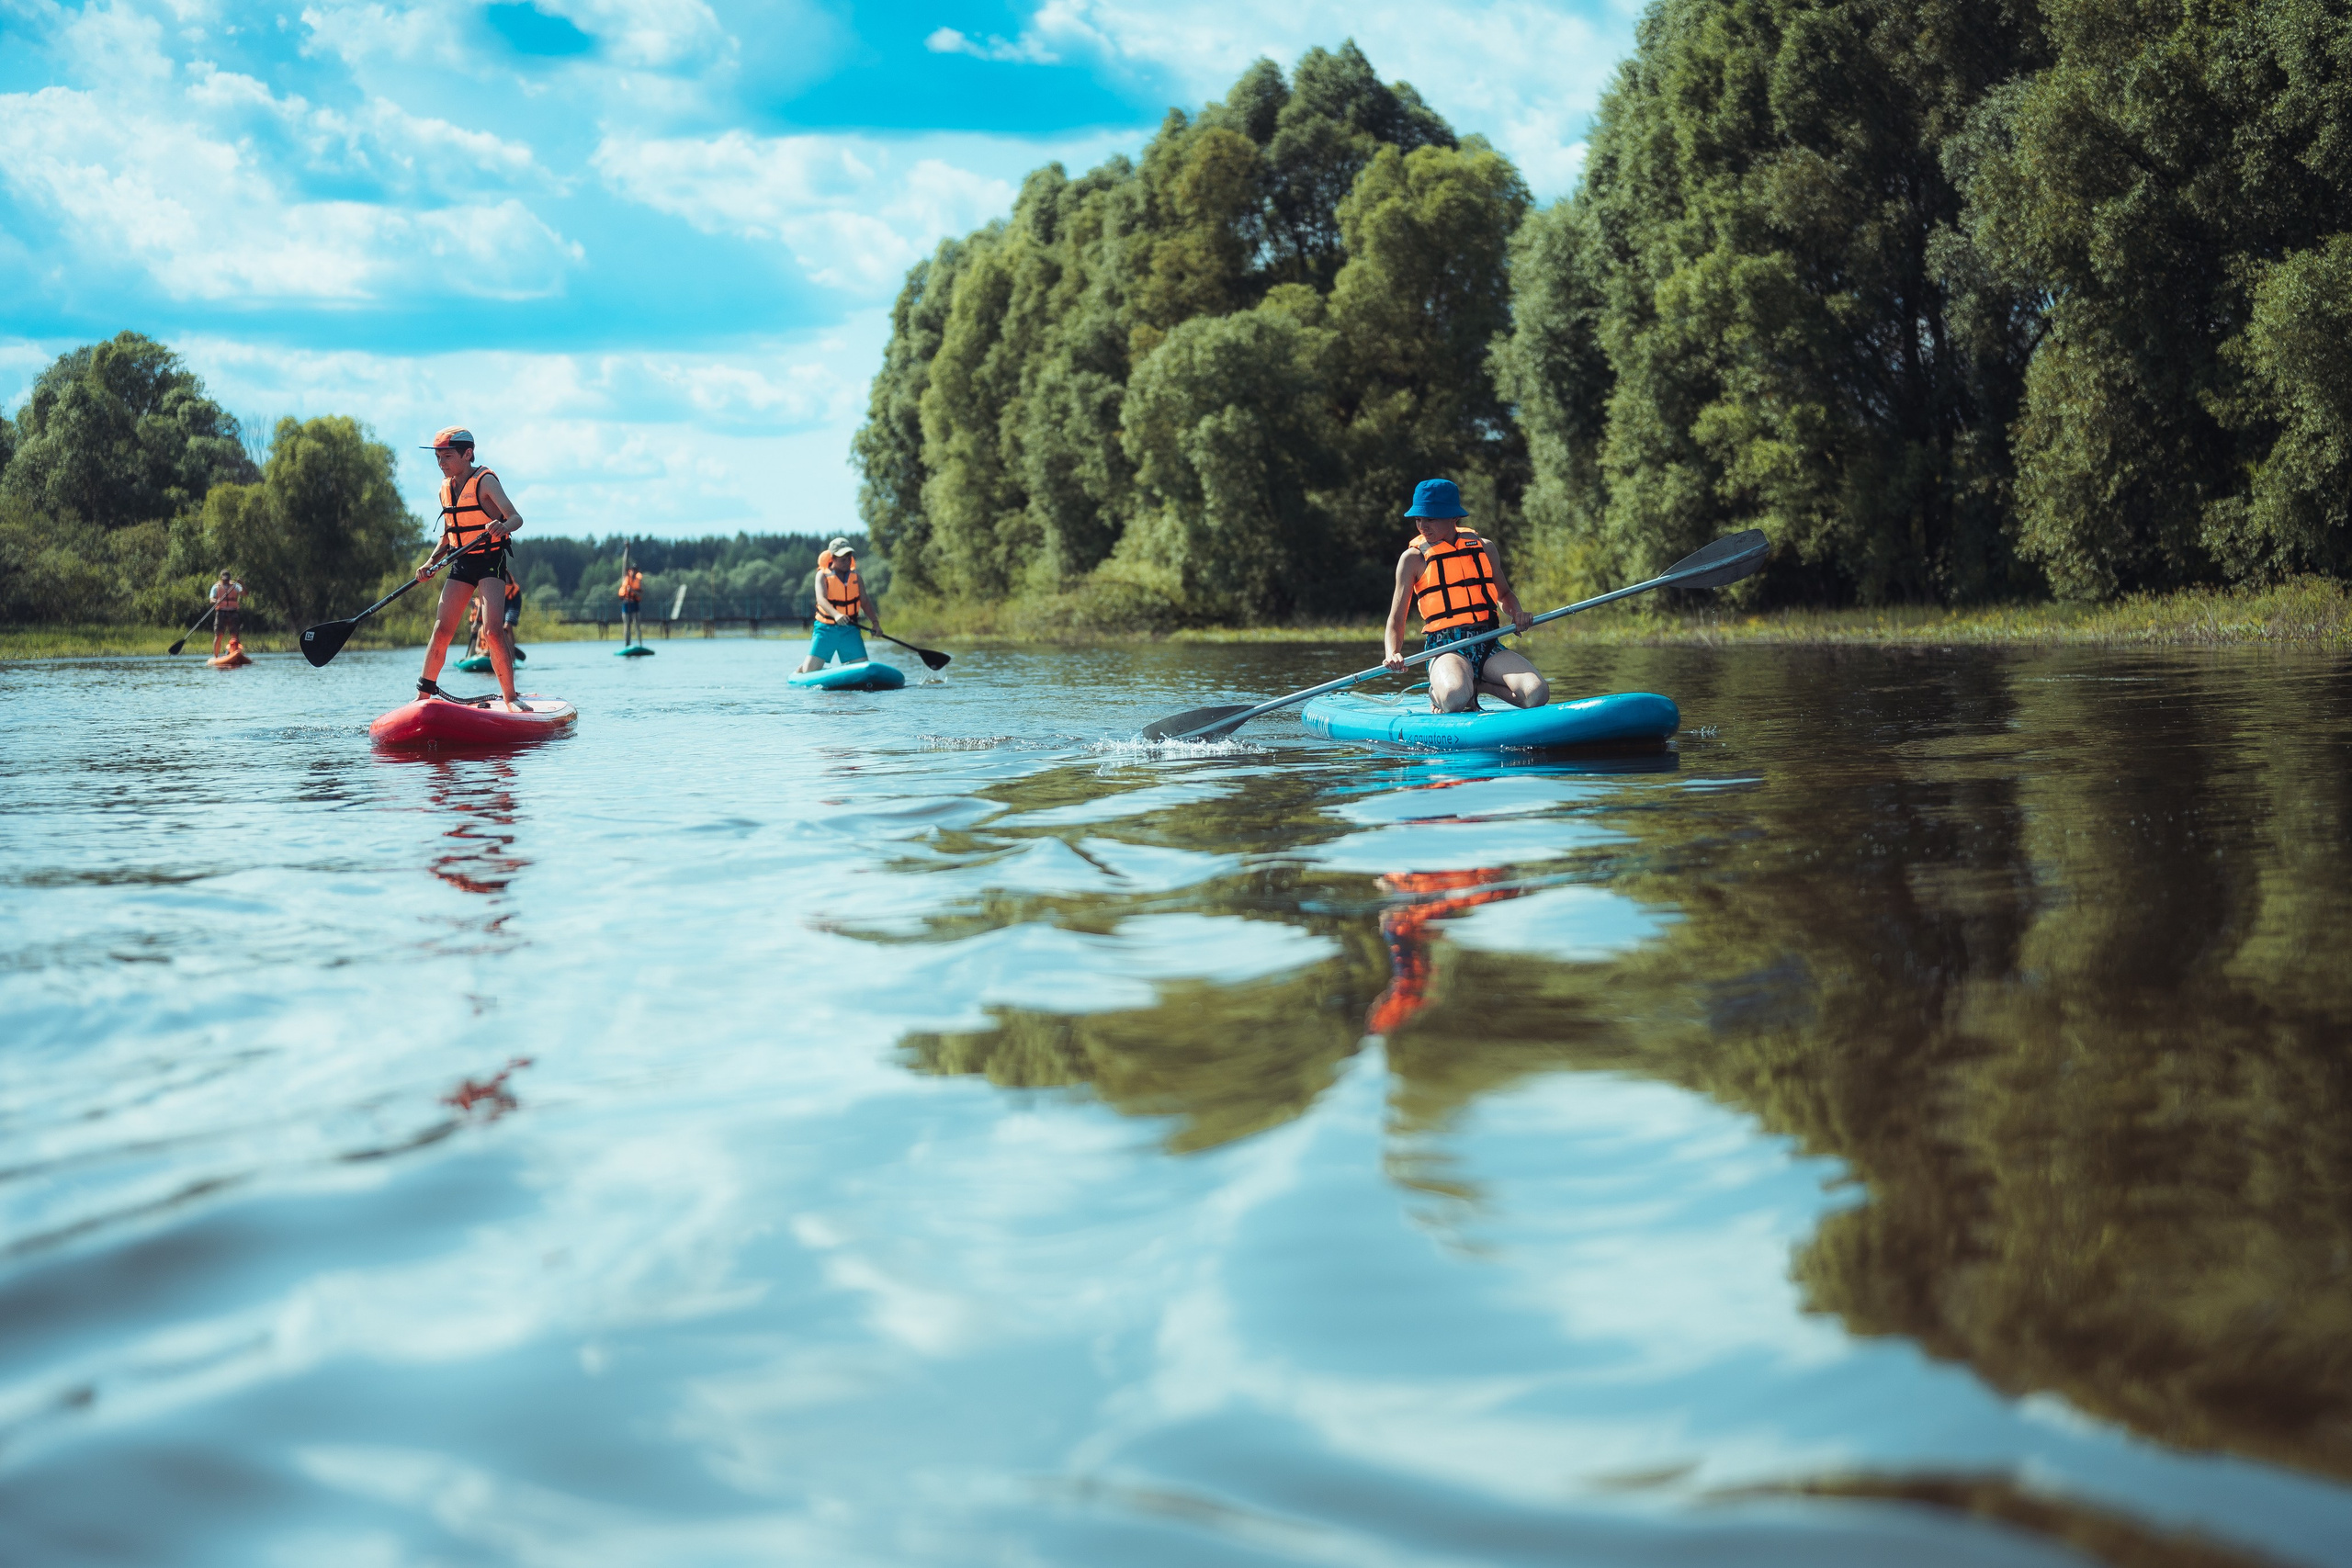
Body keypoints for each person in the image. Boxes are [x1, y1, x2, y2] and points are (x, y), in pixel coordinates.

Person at [1382, 479, 1548, 714]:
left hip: (1487, 642)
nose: (1422, 526)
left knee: (1537, 694)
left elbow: (1505, 595)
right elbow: (1396, 619)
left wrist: (1517, 613)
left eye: (1431, 518)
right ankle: (1441, 692)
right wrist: (1393, 653)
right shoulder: (1412, 559)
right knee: (1454, 698)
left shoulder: (1484, 548)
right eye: (1418, 519)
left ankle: (1480, 685)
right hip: (1444, 647)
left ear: (1454, 518)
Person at [413, 427, 523, 706]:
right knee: (441, 629)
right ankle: (422, 697)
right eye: (438, 457)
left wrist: (501, 526)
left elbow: (516, 519)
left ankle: (511, 697)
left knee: (493, 630)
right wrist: (430, 563)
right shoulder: (445, 489)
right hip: (462, 562)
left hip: (490, 559)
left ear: (468, 454)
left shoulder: (485, 481)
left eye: (447, 456)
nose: (441, 463)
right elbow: (450, 534)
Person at [797, 537, 880, 672]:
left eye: (849, 558)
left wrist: (875, 623)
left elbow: (865, 602)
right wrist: (836, 614)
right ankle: (804, 668)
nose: (847, 562)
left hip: (850, 629)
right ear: (833, 558)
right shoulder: (821, 576)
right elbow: (821, 599)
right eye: (843, 559)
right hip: (825, 629)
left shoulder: (856, 578)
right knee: (809, 672)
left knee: (862, 670)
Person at [209, 569, 243, 657]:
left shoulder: (235, 585)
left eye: (227, 579)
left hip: (233, 612)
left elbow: (245, 593)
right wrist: (215, 601)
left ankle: (235, 654)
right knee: (218, 635)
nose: (226, 581)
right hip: (221, 612)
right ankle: (216, 657)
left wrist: (242, 584)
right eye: (224, 579)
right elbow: (211, 599)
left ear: (229, 578)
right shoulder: (216, 586)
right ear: (221, 578)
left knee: (235, 636)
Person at [617, 561, 643, 644]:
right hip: (626, 603)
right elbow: (624, 563)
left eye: (636, 570)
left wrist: (632, 591)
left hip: (635, 603)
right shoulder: (625, 577)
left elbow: (640, 594)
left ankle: (640, 644)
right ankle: (627, 643)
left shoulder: (638, 581)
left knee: (637, 624)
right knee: (627, 625)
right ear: (630, 570)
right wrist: (626, 550)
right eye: (633, 570)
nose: (634, 571)